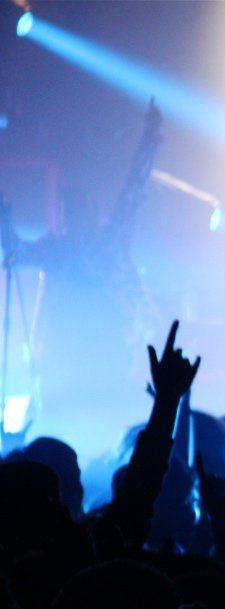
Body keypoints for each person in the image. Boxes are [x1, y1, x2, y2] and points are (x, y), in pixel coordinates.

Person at [0, 98, 163, 458]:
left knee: (109, 426)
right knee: (58, 425)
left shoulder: (110, 241)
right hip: (64, 355)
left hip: (108, 350)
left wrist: (150, 141)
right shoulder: (57, 249)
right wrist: (4, 218)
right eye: (66, 212)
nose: (72, 219)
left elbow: (133, 193)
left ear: (91, 212)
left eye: (76, 211)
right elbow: (14, 252)